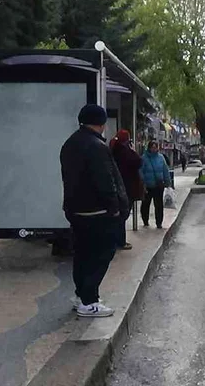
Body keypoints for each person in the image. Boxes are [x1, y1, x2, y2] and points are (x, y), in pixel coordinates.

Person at [60, 104, 129, 317]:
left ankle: (82, 295)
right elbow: (105, 181)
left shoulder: (70, 143)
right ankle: (89, 301)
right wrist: (115, 208)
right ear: (101, 122)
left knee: (82, 254)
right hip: (98, 212)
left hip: (76, 210)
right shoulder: (97, 147)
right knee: (102, 253)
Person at [109, 129, 142, 250]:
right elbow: (138, 162)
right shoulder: (125, 152)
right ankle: (120, 241)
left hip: (117, 186)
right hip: (126, 186)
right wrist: (133, 150)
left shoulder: (112, 149)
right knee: (123, 214)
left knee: (119, 214)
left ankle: (116, 240)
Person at [139, 140, 171, 229]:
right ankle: (145, 220)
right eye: (152, 147)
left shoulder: (161, 158)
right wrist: (143, 182)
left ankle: (159, 222)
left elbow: (165, 170)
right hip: (148, 186)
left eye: (155, 147)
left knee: (159, 205)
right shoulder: (144, 158)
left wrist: (168, 181)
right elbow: (140, 171)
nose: (154, 149)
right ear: (149, 148)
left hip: (158, 185)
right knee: (145, 204)